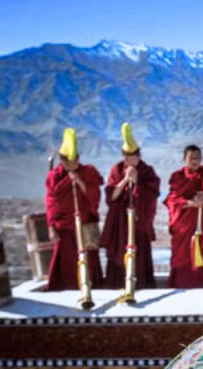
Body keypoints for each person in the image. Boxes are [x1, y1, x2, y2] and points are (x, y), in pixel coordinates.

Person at [101, 122, 161, 290]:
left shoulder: (147, 171)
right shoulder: (117, 169)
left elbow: (152, 194)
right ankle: (118, 286)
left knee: (139, 256)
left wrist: (138, 183)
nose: (129, 159)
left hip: (138, 222)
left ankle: (141, 286)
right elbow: (111, 196)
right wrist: (125, 180)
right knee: (119, 254)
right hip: (120, 224)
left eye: (132, 155)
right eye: (126, 155)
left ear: (139, 155)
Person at [44, 128, 104, 291]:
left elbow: (95, 196)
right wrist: (51, 227)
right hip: (65, 226)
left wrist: (79, 181)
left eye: (75, 161)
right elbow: (51, 202)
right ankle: (67, 287)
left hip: (85, 223)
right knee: (66, 259)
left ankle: (92, 286)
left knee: (89, 259)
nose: (72, 165)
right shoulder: (54, 177)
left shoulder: (88, 172)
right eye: (68, 162)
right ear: (61, 161)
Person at [165, 145, 203, 288]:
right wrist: (190, 203)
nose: (195, 161)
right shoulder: (177, 177)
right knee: (183, 256)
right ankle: (181, 285)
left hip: (202, 226)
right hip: (183, 226)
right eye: (191, 158)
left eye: (198, 158)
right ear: (184, 159)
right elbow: (172, 200)